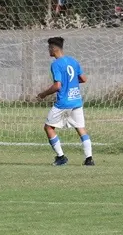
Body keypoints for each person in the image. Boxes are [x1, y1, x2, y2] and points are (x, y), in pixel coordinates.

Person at [37, 37, 94, 166]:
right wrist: (71, 83)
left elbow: (57, 86)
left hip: (64, 102)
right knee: (80, 128)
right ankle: (89, 158)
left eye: (49, 48)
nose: (48, 50)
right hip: (76, 101)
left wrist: (43, 94)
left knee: (48, 127)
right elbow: (83, 79)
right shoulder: (73, 61)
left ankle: (61, 157)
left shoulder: (56, 64)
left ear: (53, 48)